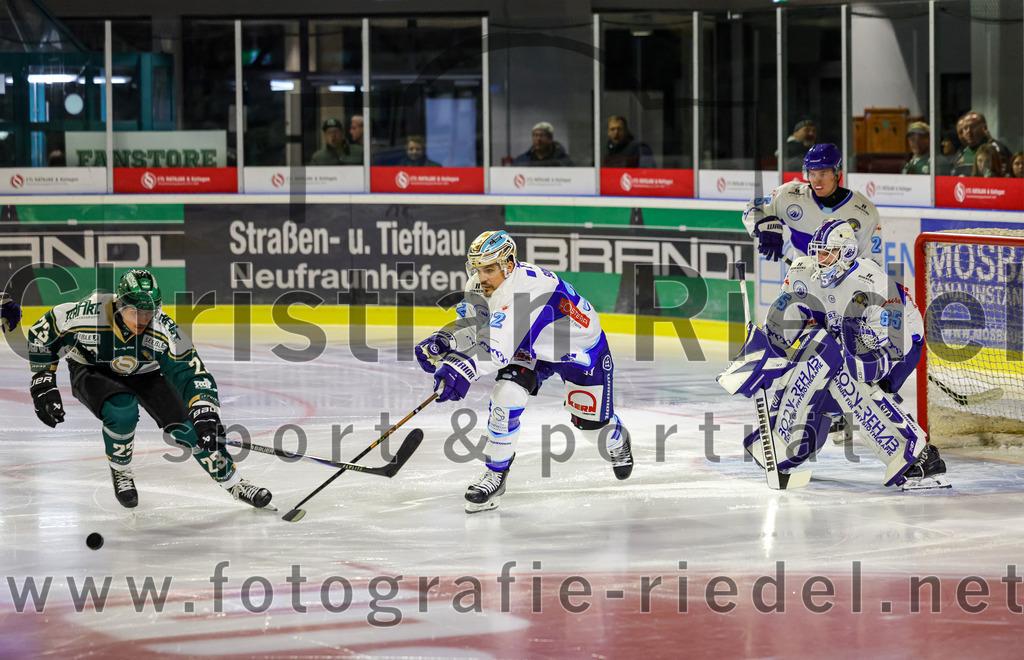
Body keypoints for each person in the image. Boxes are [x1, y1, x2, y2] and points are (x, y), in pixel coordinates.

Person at [414, 230, 633, 513]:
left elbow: (495, 349)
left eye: (489, 269)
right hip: (530, 344)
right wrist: (443, 340)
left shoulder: (529, 290)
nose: (481, 277)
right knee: (506, 394)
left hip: (578, 350)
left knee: (592, 429)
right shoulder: (482, 282)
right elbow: (473, 322)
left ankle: (618, 439)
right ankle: (495, 475)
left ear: (508, 263)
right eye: (477, 268)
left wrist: (460, 368)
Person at [718, 218, 945, 491]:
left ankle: (917, 455)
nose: (819, 259)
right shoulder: (804, 272)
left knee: (850, 381)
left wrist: (854, 369)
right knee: (812, 365)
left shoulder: (873, 284)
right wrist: (761, 356)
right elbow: (781, 325)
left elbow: (894, 347)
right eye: (816, 252)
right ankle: (788, 444)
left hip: (900, 343)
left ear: (847, 253)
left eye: (827, 253)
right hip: (846, 339)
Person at [26, 269, 273, 510]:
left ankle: (235, 483)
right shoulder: (86, 314)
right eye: (135, 312)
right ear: (119, 305)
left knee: (191, 428)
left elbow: (192, 372)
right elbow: (41, 332)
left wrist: (204, 412)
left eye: (149, 312)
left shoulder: (164, 329)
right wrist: (43, 381)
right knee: (121, 412)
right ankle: (121, 471)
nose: (143, 320)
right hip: (93, 369)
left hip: (147, 373)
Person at [742, 143, 882, 264]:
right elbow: (752, 209)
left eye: (823, 174)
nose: (816, 181)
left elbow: (871, 263)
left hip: (845, 285)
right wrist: (765, 227)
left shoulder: (863, 211)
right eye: (812, 174)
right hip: (802, 280)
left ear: (837, 174)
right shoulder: (790, 195)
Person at [950, 111, 1013, 176]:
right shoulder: (962, 152)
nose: (968, 131)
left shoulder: (996, 149)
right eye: (965, 128)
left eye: (973, 126)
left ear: (984, 128)